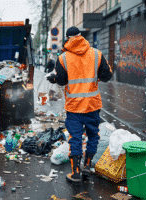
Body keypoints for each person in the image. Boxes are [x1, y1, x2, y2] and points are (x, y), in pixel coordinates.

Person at [47, 26, 113, 183]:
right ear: (81, 36)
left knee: (75, 138)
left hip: (74, 106)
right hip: (92, 105)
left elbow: (61, 80)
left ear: (67, 38)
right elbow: (107, 76)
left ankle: (76, 173)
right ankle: (88, 167)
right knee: (92, 136)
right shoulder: (97, 54)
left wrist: (54, 79)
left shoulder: (63, 58)